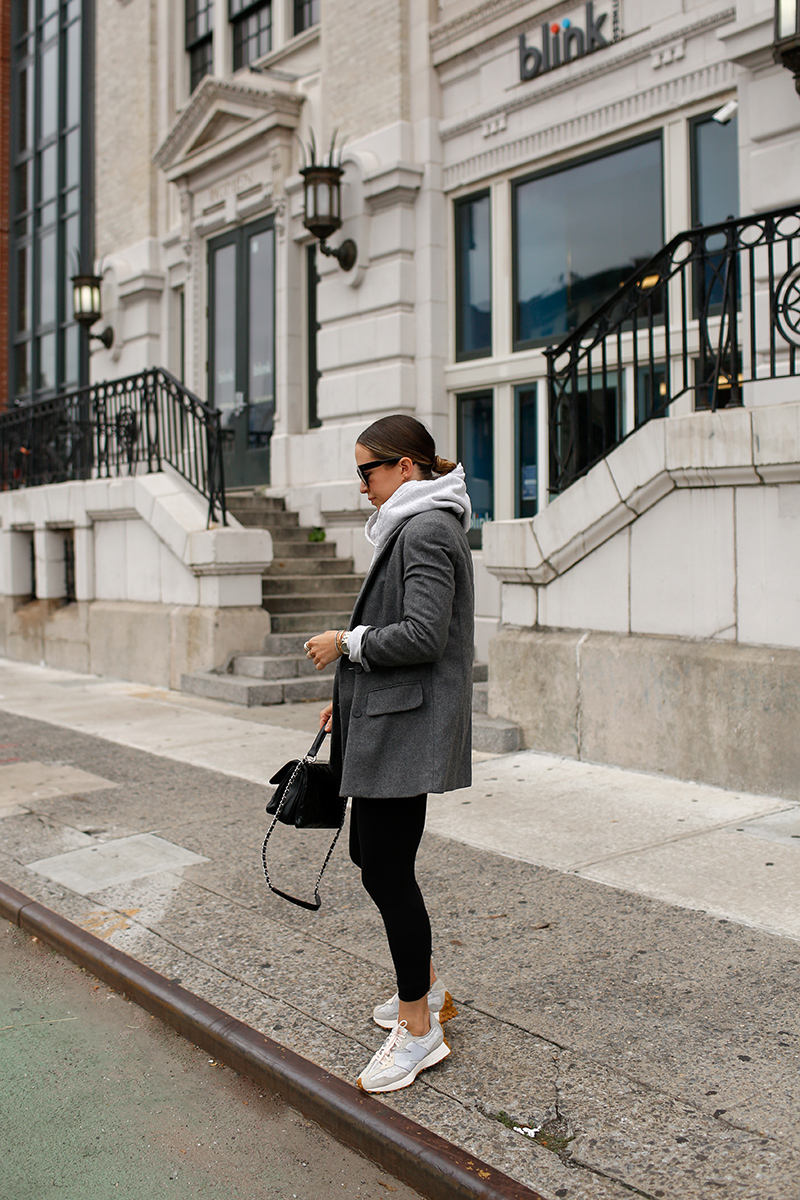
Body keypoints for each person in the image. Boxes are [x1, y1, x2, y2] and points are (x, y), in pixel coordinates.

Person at [303, 414, 474, 1094]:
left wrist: (344, 644)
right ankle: (427, 993)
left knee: (388, 870)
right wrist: (344, 699)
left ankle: (419, 1030)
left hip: (408, 731)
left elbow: (425, 636)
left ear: (406, 466)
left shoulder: (428, 527)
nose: (362, 488)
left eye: (367, 472)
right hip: (387, 721)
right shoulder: (417, 521)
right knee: (372, 859)